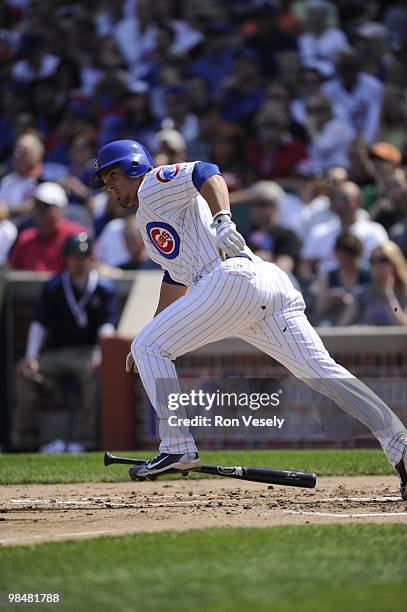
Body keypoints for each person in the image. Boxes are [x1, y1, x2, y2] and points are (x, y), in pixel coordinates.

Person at [91, 139, 407, 499]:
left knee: (149, 346)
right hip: (257, 286)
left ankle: (177, 444)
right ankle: (400, 442)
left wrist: (223, 218)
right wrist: (151, 334)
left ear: (134, 166)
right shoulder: (149, 217)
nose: (109, 186)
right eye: (104, 180)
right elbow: (175, 279)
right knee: (322, 373)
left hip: (231, 279)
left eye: (113, 175)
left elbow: (205, 172)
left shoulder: (152, 183)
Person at [12, 233, 118, 452]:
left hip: (88, 353)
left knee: (95, 376)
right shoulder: (55, 286)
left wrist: (101, 353)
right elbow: (40, 324)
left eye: (83, 255)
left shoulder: (104, 288)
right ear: (66, 258)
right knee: (26, 373)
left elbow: (107, 325)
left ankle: (87, 442)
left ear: (91, 257)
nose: (79, 260)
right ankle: (27, 442)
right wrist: (31, 356)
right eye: (73, 255)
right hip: (57, 354)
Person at [8, 182, 87, 273]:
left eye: (46, 206)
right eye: (37, 205)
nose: (40, 211)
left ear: (59, 209)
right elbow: (13, 273)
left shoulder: (77, 235)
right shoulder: (26, 238)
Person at [338, 241, 407, 327]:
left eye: (383, 260)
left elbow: (403, 327)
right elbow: (341, 327)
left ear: (394, 263)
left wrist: (389, 295)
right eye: (373, 261)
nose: (377, 265)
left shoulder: (404, 292)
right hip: (367, 340)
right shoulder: (362, 294)